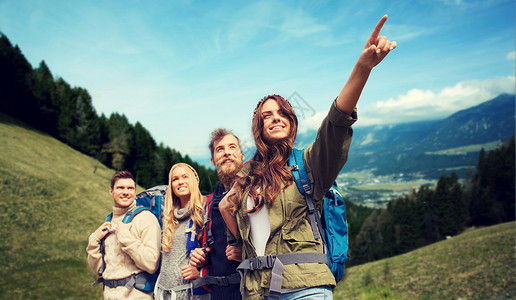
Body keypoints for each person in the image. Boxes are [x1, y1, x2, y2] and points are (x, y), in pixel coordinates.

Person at [219, 15, 397, 299]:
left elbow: (335, 124)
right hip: (256, 290)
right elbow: (230, 215)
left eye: (282, 114)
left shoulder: (309, 164)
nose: (275, 119)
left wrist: (363, 68)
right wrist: (235, 234)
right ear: (259, 128)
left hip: (304, 288)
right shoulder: (246, 176)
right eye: (267, 116)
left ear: (291, 121)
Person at [87, 171, 161, 299]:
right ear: (111, 191)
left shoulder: (146, 218)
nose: (126, 192)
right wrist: (93, 241)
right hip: (109, 295)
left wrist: (125, 237)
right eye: (120, 188)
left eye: (130, 188)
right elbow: (99, 270)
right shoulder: (108, 222)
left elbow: (151, 264)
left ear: (135, 191)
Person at [189, 128, 245, 300]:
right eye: (220, 149)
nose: (227, 153)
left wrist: (245, 253)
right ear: (213, 160)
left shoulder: (255, 193)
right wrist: (202, 258)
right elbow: (215, 248)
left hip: (251, 291)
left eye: (232, 147)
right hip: (218, 293)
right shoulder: (210, 204)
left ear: (242, 156)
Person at [154, 163, 210, 300]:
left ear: (195, 180)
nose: (181, 182)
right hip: (164, 293)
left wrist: (201, 272)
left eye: (185, 177)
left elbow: (218, 253)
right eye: (175, 179)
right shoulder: (168, 216)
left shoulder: (206, 211)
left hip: (191, 294)